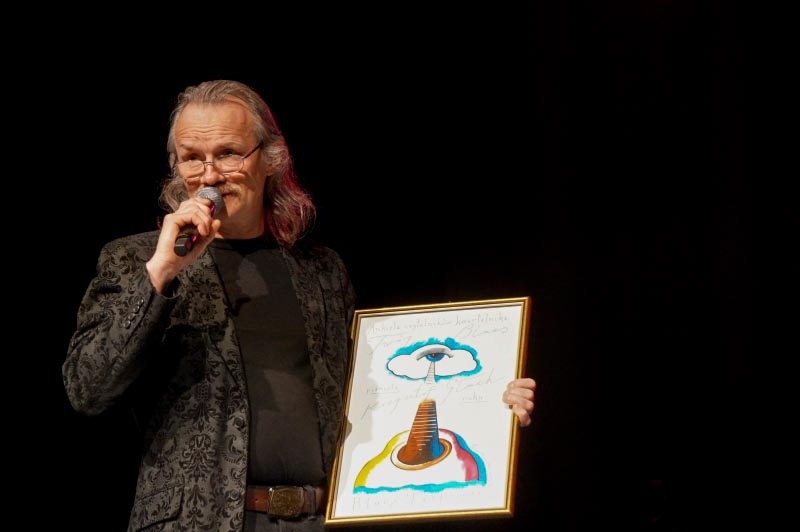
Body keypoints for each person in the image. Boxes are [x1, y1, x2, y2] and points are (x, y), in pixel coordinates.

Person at [63, 79, 536, 532]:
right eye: (191, 158)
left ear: (270, 158)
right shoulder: (136, 260)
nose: (209, 175)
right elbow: (88, 388)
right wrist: (162, 270)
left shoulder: (320, 270)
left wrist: (482, 400)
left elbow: (376, 396)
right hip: (199, 521)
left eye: (227, 153)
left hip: (319, 518)